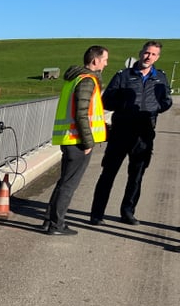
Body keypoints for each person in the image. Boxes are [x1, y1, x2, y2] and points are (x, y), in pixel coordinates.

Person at [90, 41, 173, 225]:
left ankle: (127, 212)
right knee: (108, 174)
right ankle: (97, 213)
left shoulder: (160, 77)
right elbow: (107, 100)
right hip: (121, 131)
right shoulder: (123, 75)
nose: (148, 57)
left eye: (153, 54)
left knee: (136, 176)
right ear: (140, 53)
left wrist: (155, 108)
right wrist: (125, 105)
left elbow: (167, 101)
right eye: (146, 53)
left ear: (157, 57)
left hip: (144, 134)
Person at [43, 45, 110, 236]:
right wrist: (88, 143)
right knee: (69, 185)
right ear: (95, 60)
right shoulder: (87, 80)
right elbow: (82, 114)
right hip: (78, 141)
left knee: (64, 181)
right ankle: (57, 225)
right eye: (105, 59)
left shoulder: (74, 79)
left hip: (69, 138)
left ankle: (49, 220)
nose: (106, 63)